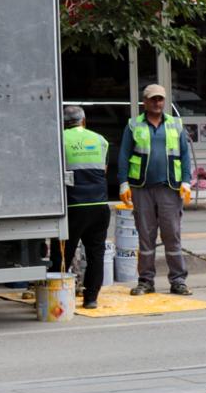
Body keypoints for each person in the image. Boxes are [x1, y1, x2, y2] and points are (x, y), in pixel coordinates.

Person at [118, 84, 194, 296]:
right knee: (145, 237)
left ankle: (178, 281)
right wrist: (123, 182)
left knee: (172, 236)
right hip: (142, 189)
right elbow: (124, 155)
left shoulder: (175, 125)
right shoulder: (133, 125)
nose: (157, 103)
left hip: (170, 188)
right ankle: (146, 281)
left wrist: (186, 181)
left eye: (160, 99)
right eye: (153, 99)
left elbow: (185, 156)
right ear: (145, 102)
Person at [56, 106, 111, 309]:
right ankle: (91, 299)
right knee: (96, 253)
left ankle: (59, 297)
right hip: (99, 204)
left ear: (64, 123)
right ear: (84, 121)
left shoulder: (58, 139)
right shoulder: (100, 140)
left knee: (63, 253)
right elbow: (104, 170)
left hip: (73, 205)